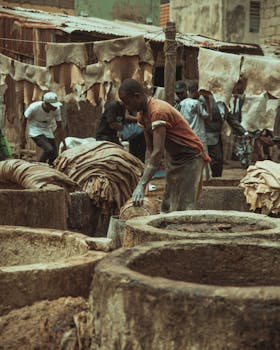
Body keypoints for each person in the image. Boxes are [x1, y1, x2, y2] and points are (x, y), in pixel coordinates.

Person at [118, 78, 210, 212]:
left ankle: (186, 231)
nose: (127, 107)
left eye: (127, 102)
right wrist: (145, 178)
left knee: (185, 204)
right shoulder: (141, 115)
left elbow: (158, 151)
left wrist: (141, 185)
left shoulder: (158, 111)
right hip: (176, 157)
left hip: (191, 156)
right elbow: (149, 151)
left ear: (137, 96)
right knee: (167, 203)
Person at [21, 91, 65, 166]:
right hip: (35, 128)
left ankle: (51, 168)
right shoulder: (34, 107)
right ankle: (39, 165)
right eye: (52, 105)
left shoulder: (56, 109)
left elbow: (59, 126)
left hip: (47, 128)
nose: (55, 107)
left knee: (54, 155)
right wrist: (22, 135)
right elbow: (24, 118)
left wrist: (63, 142)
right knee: (48, 149)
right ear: (46, 104)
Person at [178, 82, 209, 152]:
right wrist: (208, 102)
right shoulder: (196, 103)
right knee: (202, 156)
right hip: (198, 135)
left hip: (187, 135)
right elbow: (206, 116)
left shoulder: (181, 103)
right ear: (195, 91)